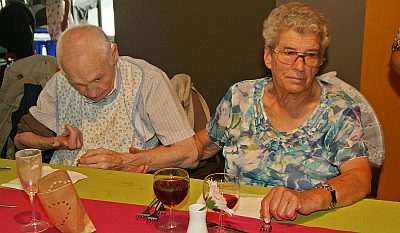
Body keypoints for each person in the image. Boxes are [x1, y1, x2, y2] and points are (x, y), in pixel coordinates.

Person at [194, 2, 371, 224]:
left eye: (310, 55)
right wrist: (145, 159)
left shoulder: (338, 109)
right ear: (268, 56)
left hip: (305, 222)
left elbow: (360, 177)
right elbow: (201, 145)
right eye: (289, 53)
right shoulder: (241, 96)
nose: (299, 66)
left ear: (320, 62)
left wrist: (308, 198)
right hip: (235, 220)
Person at [14, 25, 198, 172]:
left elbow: (189, 153)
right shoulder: (59, 82)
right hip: (69, 186)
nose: (92, 93)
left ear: (114, 54)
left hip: (127, 185)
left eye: (98, 79)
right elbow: (21, 140)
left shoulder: (147, 81)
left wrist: (125, 162)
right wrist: (53, 143)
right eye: (79, 85)